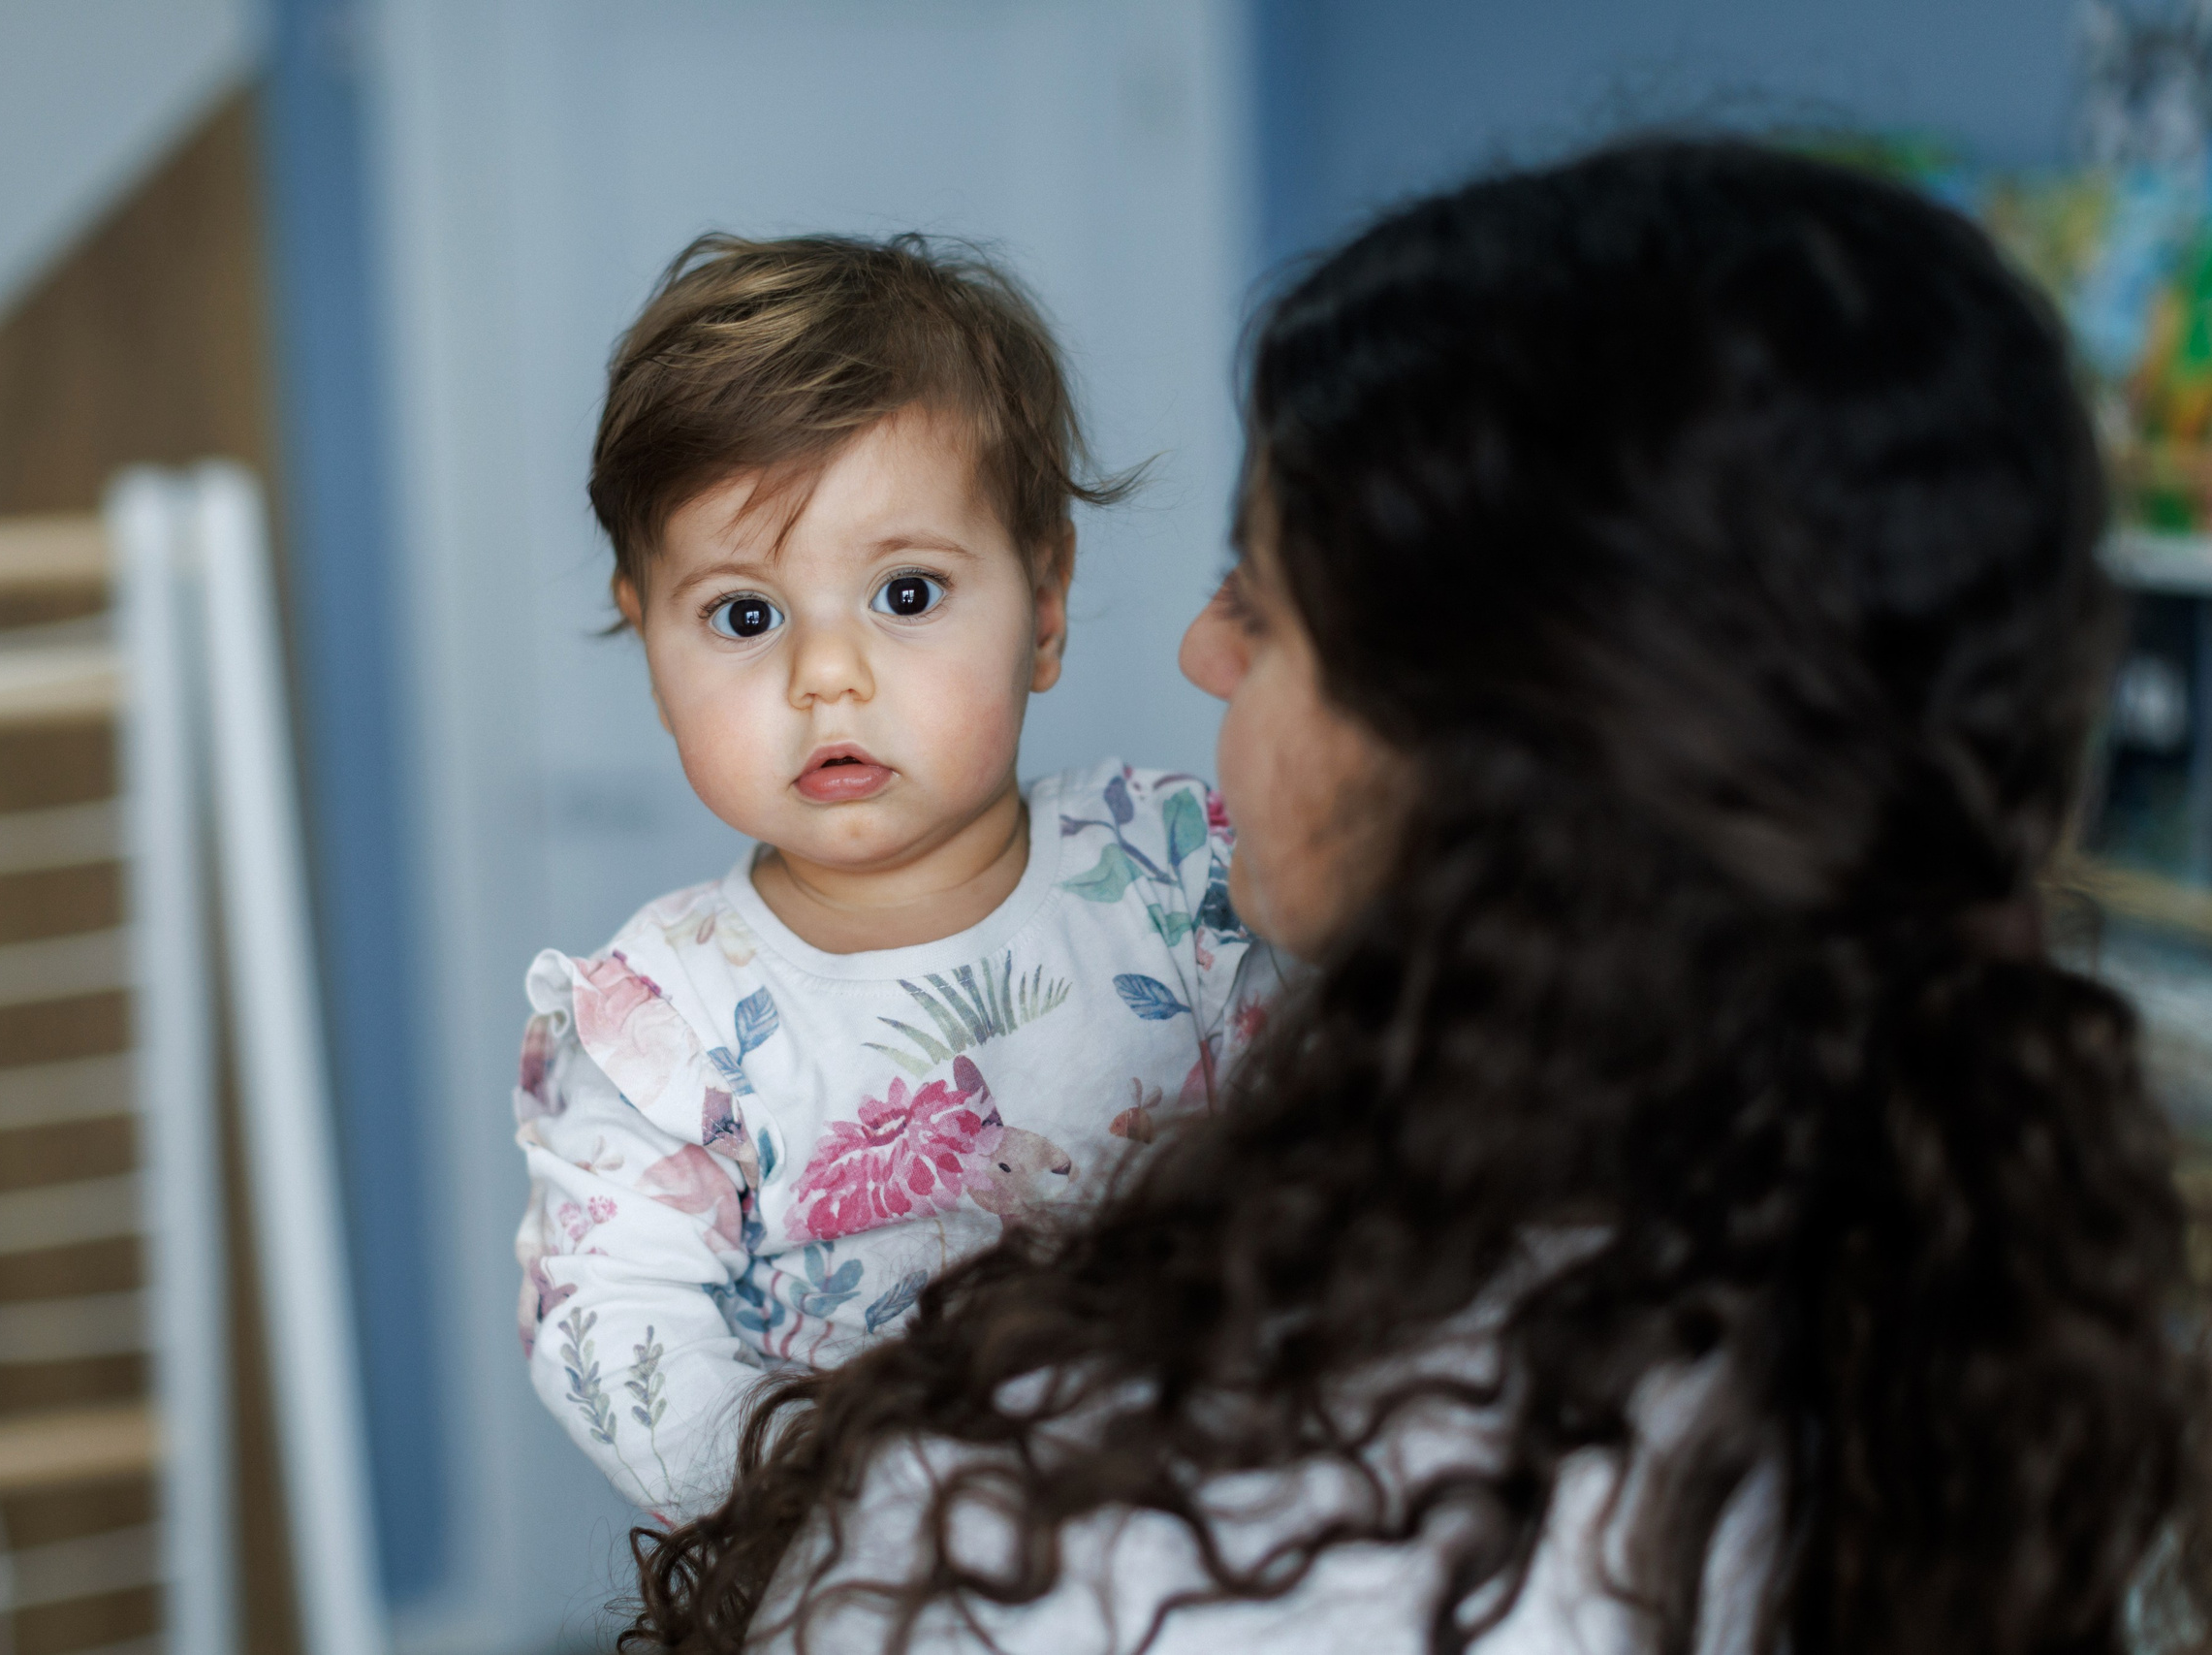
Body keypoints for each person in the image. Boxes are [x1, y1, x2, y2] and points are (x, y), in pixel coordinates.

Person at [627, 140, 2212, 1654]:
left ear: (1484, 743)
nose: (1201, 654)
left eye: (1261, 596)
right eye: (744, 613)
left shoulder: (1041, 1531)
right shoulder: (2025, 1383)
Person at [513, 235, 1281, 1523]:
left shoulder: (1180, 875)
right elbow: (612, 1327)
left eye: (906, 592)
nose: (827, 676)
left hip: (1215, 1528)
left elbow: (1347, 1126)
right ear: (649, 646)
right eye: (745, 617)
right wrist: (829, 1530)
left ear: (1044, 607)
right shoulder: (661, 1024)